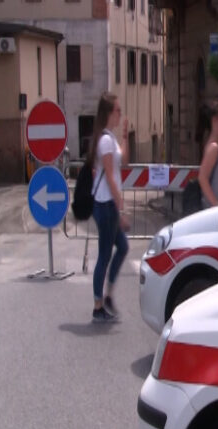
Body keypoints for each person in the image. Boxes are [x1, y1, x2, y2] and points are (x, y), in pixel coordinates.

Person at [88, 92, 130, 322]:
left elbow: (123, 161)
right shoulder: (104, 140)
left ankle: (108, 295)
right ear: (108, 113)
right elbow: (111, 178)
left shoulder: (111, 139)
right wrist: (120, 208)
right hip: (105, 204)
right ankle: (98, 305)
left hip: (108, 204)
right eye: (117, 110)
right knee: (105, 254)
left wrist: (125, 136)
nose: (120, 113)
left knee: (122, 247)